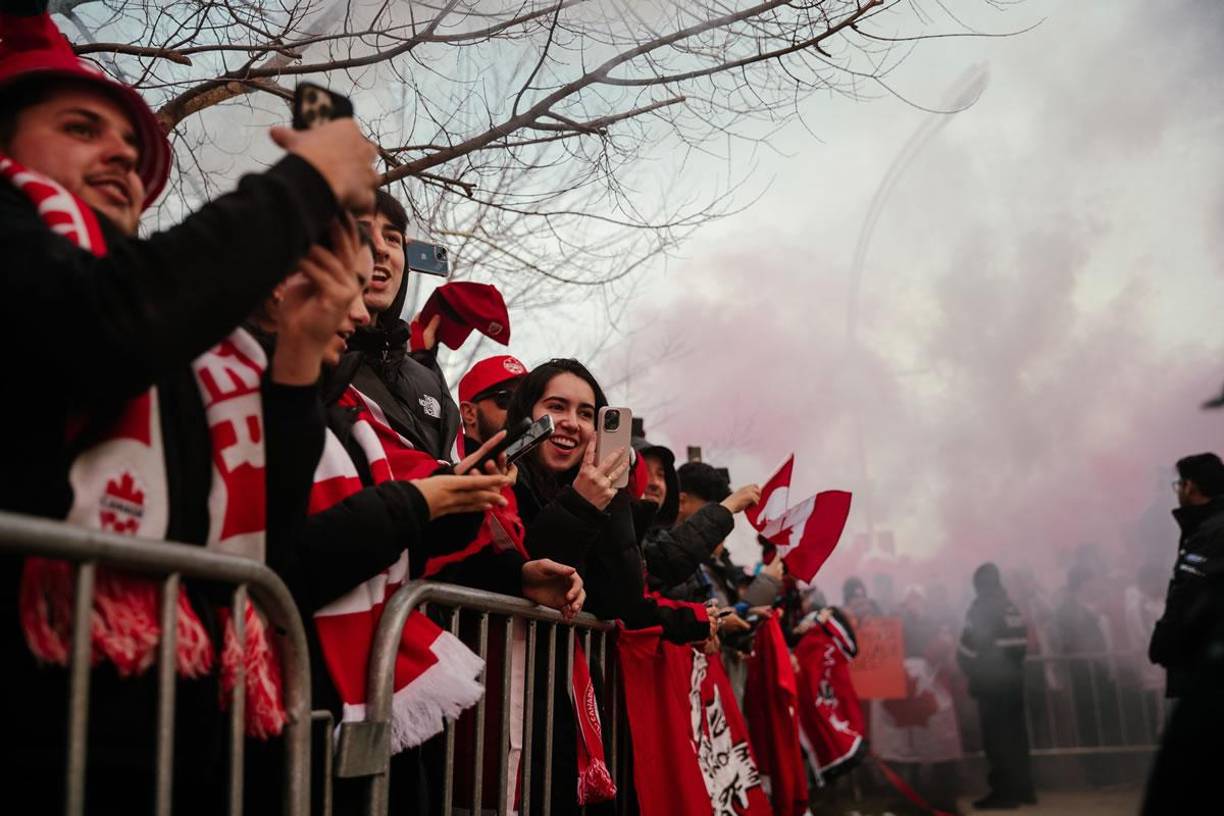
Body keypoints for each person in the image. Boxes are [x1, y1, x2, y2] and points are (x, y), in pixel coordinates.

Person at [0, 7, 378, 521]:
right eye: (81, 129)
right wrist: (308, 182)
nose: (122, 155)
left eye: (133, 147)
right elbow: (99, 323)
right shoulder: (121, 309)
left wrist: (298, 358)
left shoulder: (187, 348)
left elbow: (263, 531)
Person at [505, 358, 718, 815]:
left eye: (586, 413)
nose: (571, 423)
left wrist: (612, 502)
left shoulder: (597, 493)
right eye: (556, 406)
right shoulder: (505, 478)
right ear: (526, 413)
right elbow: (524, 560)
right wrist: (581, 504)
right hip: (510, 706)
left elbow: (622, 597)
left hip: (573, 702)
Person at [349, 190, 460, 460]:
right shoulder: (301, 362)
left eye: (392, 238)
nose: (381, 249)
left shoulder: (431, 382)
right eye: (362, 232)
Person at [1142, 458, 1224, 812]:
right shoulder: (1206, 529)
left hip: (1203, 670)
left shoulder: (1211, 532)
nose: (1177, 492)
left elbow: (1191, 597)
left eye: (1179, 485)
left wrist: (1165, 642)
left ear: (1191, 486)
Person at [957, 562, 1035, 810]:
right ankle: (1024, 790)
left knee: (997, 740)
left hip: (991, 684)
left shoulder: (982, 609)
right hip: (1014, 682)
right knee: (1016, 737)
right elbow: (1021, 646)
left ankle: (1004, 793)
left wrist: (970, 669)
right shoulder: (1010, 607)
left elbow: (967, 648)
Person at [656, 461, 761, 605]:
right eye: (711, 512)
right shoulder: (658, 551)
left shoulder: (702, 561)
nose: (718, 523)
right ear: (682, 502)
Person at [456, 354, 528, 457]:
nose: (519, 410)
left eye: (524, 401)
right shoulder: (448, 468)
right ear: (469, 413)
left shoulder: (529, 467)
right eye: (506, 399)